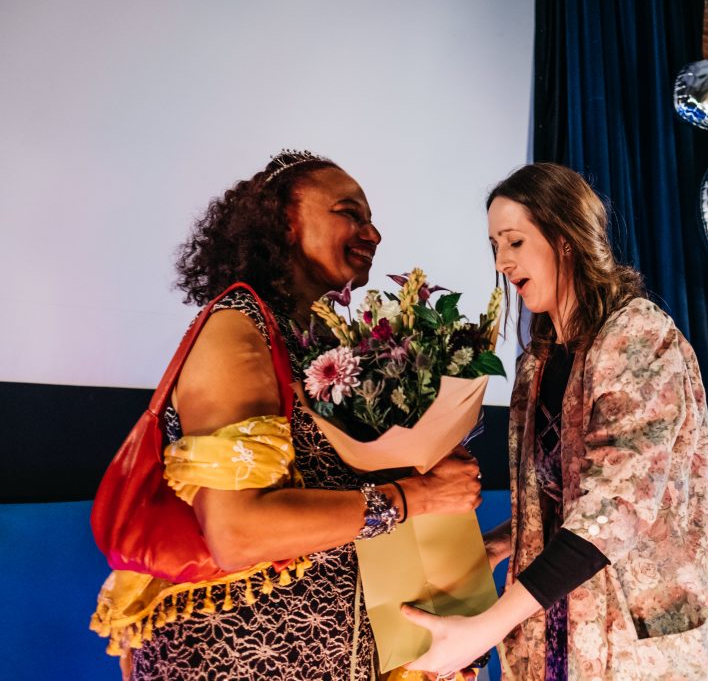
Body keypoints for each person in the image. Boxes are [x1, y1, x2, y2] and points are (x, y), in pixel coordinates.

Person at [90, 150, 482, 680]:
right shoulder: (238, 329)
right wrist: (418, 497)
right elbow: (238, 534)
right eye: (351, 213)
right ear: (284, 221)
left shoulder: (318, 341)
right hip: (235, 660)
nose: (374, 234)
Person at [403, 163, 708, 680]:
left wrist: (486, 627)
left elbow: (615, 508)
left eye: (514, 241)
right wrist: (501, 543)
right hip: (561, 622)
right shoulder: (537, 362)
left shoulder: (639, 337)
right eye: (494, 245)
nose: (500, 261)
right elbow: (559, 500)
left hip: (643, 640)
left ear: (563, 238)